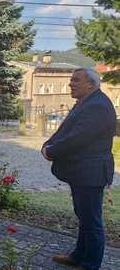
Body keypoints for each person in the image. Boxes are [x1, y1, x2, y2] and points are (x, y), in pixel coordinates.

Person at [42, 68, 115, 270]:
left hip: (91, 171)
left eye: (75, 80)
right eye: (70, 80)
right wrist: (48, 145)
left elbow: (78, 138)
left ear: (90, 85)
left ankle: (90, 264)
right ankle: (79, 256)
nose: (70, 84)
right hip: (82, 171)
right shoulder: (87, 102)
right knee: (83, 215)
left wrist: (51, 151)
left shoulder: (98, 106)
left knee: (91, 220)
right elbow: (65, 130)